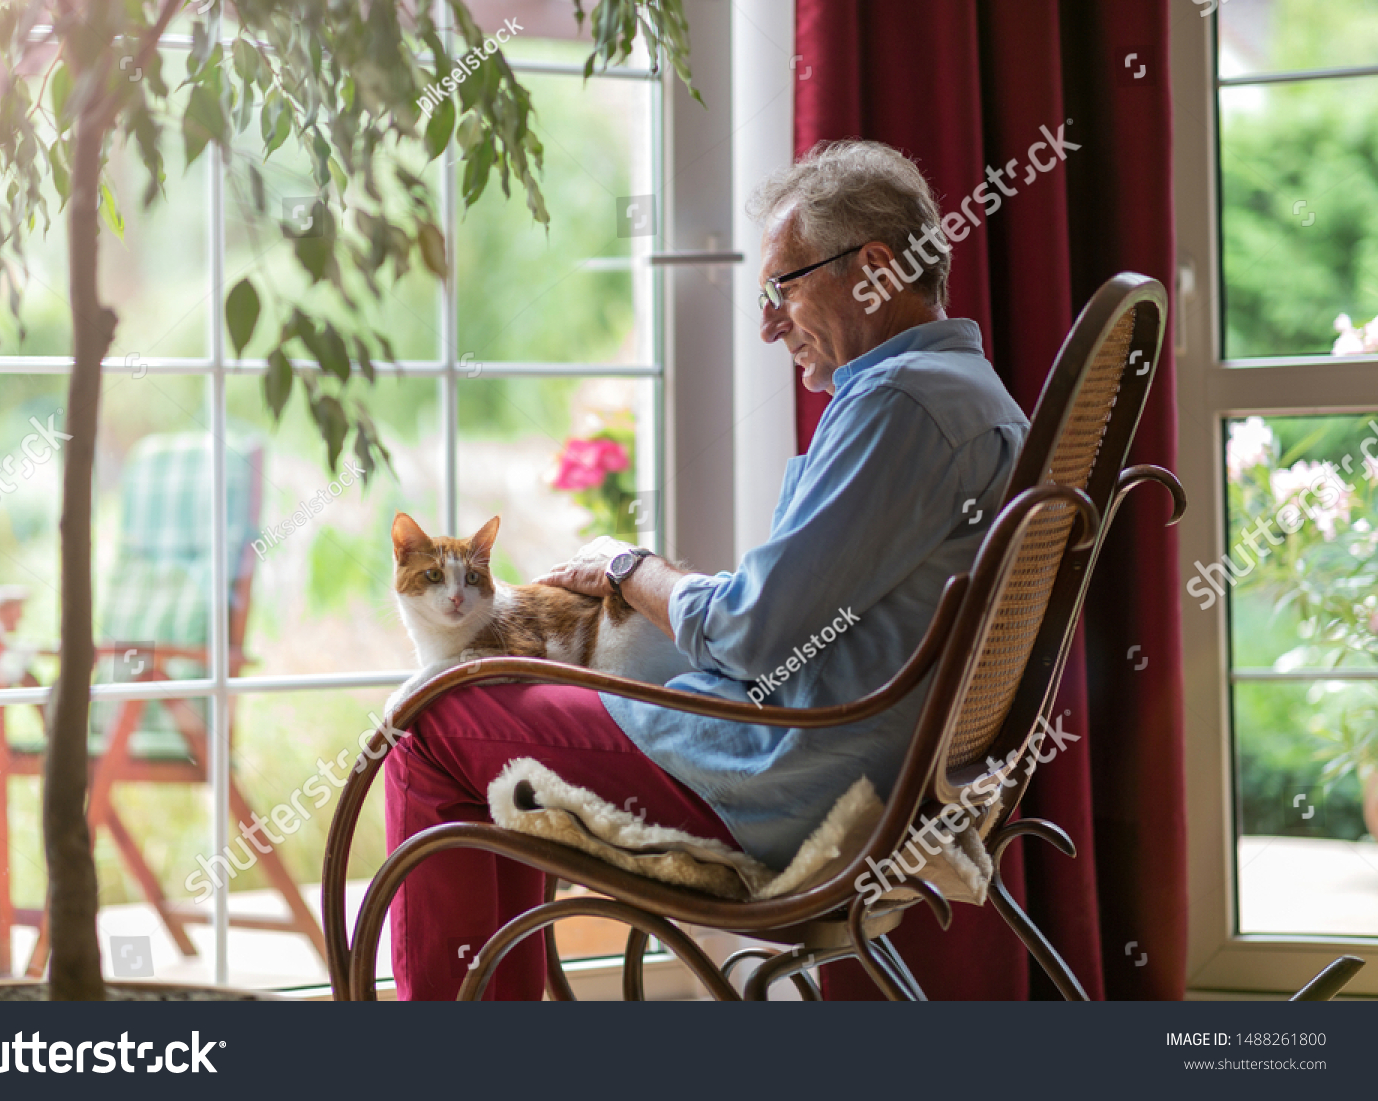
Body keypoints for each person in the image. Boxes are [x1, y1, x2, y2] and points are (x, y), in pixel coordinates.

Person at [383, 140, 1030, 1000]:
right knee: (499, 719)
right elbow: (795, 615)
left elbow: (753, 633)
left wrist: (630, 566)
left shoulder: (899, 403)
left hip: (772, 782)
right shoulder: (975, 395)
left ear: (874, 269)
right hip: (853, 760)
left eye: (785, 286)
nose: (769, 322)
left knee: (430, 721)